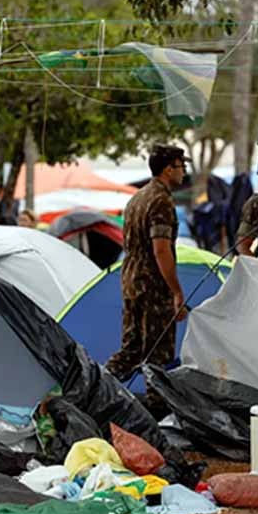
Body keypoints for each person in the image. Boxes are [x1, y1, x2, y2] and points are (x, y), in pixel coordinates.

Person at [105, 145, 189, 393]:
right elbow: (161, 250)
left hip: (130, 280)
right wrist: (176, 292)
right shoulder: (160, 201)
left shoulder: (137, 198)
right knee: (158, 356)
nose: (184, 171)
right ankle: (156, 413)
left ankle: (99, 388)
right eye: (181, 165)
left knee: (131, 349)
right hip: (152, 287)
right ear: (167, 169)